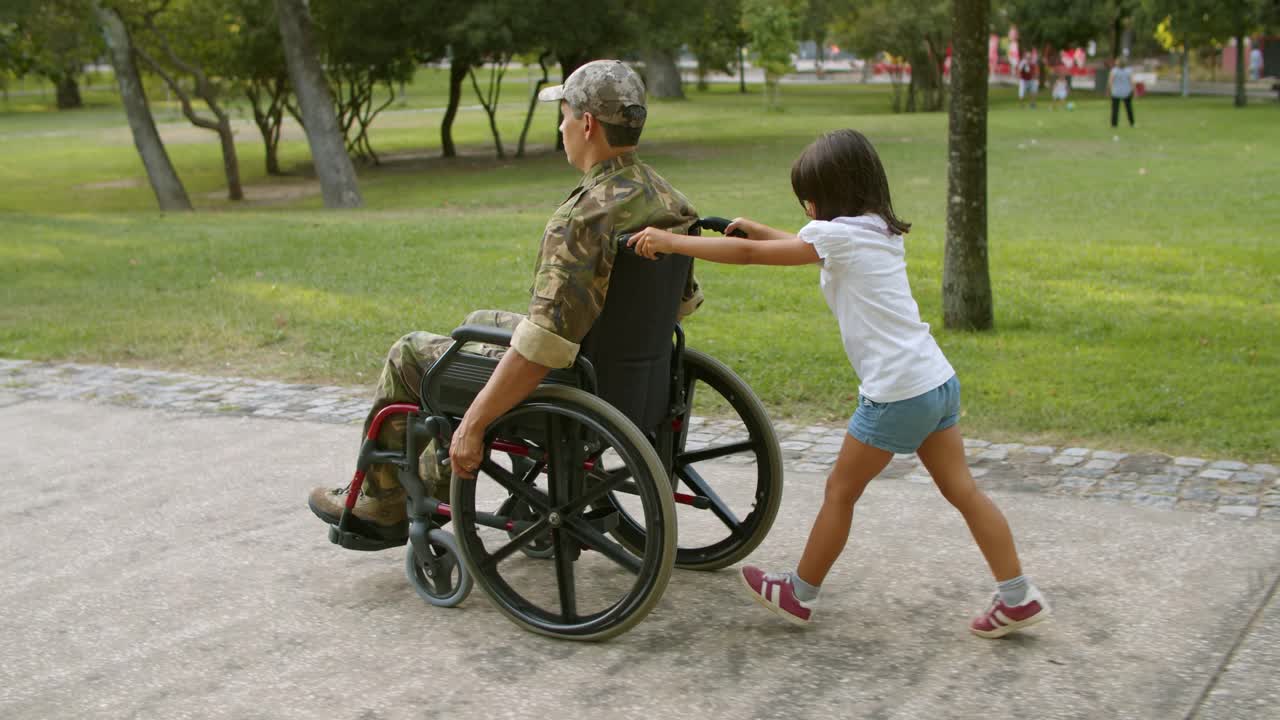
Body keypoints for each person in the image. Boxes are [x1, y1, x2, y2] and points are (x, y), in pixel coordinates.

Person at [628, 129, 1051, 639]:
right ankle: (1017, 595)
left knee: (839, 491)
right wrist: (760, 228)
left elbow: (754, 257)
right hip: (935, 380)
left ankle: (799, 594)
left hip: (895, 393)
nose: (806, 205)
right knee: (964, 490)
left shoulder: (835, 237)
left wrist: (671, 241)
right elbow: (808, 245)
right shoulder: (876, 228)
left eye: (809, 196)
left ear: (829, 196)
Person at [308, 60, 702, 543]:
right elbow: (679, 305)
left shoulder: (584, 218)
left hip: (576, 381)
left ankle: (385, 500)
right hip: (637, 379)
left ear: (587, 124)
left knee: (410, 352)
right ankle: (435, 473)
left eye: (563, 115)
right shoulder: (671, 200)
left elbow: (543, 345)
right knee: (476, 323)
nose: (560, 127)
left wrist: (472, 425)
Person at [1108, 58, 1135, 128]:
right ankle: (1132, 123)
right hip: (1126, 92)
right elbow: (1132, 82)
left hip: (1116, 92)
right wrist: (1133, 91)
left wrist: (1110, 90)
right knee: (1129, 108)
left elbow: (1110, 81)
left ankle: (1114, 124)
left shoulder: (1114, 71)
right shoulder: (1128, 71)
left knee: (1115, 109)